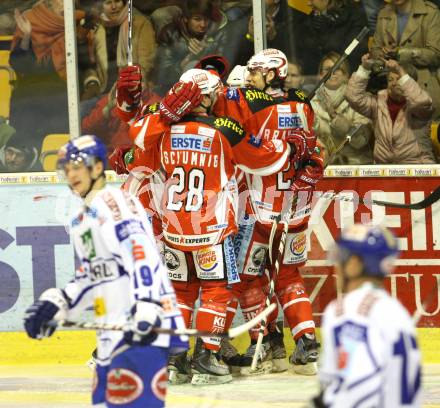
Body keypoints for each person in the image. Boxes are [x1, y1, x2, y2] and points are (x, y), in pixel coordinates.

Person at [121, 68, 291, 386]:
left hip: (173, 230)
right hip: (212, 231)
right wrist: (289, 148)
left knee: (181, 294)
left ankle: (175, 360)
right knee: (216, 292)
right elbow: (265, 160)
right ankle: (207, 357)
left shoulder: (161, 130)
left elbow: (137, 153)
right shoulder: (224, 128)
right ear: (209, 97)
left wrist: (164, 113)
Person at [23, 135, 188, 407]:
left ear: (97, 168)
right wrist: (59, 303)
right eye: (66, 168)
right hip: (112, 336)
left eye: (77, 166)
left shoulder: (115, 202)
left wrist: (147, 305)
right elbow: (92, 278)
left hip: (141, 329)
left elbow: (141, 253)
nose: (70, 174)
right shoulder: (81, 219)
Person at [212, 48, 323, 375]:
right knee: (289, 276)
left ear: (273, 74)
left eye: (256, 72)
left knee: (244, 279)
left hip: (262, 213)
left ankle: (245, 345)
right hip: (297, 211)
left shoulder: (249, 103)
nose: (250, 77)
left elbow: (225, 108)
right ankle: (305, 342)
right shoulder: (302, 103)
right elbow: (311, 150)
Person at [311, 224, 421, 407]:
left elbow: (358, 386)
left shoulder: (344, 310)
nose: (335, 266)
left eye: (340, 258)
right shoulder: (397, 311)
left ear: (354, 265)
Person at [345, 54, 436, 164]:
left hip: (418, 167)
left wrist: (399, 69)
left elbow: (420, 102)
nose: (394, 83)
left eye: (399, 79)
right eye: (390, 79)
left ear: (411, 82)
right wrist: (364, 68)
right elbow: (353, 97)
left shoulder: (420, 105)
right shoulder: (378, 103)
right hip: (385, 169)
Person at [370, 0, 440, 119]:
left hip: (421, 84)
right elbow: (375, 50)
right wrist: (383, 55)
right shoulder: (384, 13)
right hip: (390, 85)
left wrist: (401, 53)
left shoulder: (430, 12)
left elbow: (435, 55)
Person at [311, 52, 373, 165]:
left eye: (338, 69)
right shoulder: (310, 103)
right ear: (320, 75)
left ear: (347, 75)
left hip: (355, 166)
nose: (332, 72)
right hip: (322, 165)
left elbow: (361, 141)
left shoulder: (360, 101)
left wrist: (336, 118)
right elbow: (308, 141)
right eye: (327, 69)